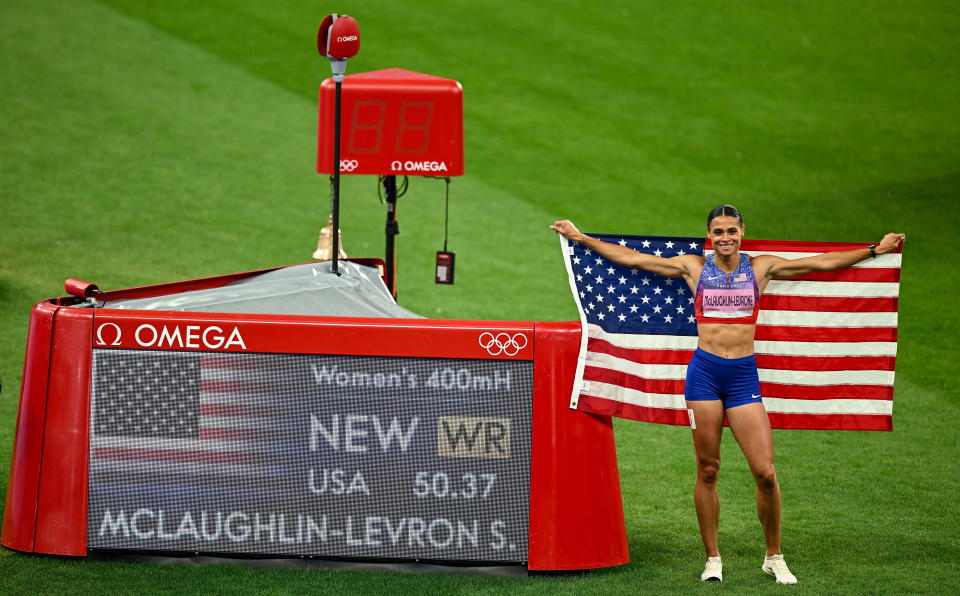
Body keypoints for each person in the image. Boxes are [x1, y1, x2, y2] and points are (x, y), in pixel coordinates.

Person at [550, 205, 904, 584]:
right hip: (703, 376)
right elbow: (635, 259)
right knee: (708, 469)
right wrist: (581, 237)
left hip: (742, 378)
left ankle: (774, 555)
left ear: (741, 232)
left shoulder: (762, 267)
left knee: (765, 473)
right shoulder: (694, 268)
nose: (725, 238)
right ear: (709, 235)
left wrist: (875, 250)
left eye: (731, 231)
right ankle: (713, 558)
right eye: (718, 232)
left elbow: (820, 263)